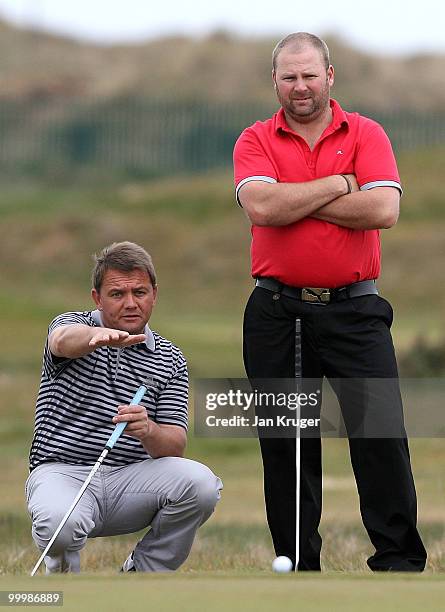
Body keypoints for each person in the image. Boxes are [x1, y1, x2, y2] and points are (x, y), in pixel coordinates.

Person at [233, 32, 426, 571]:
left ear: (330, 76)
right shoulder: (254, 138)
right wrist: (342, 183)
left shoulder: (367, 132)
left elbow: (383, 209)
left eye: (309, 75)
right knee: (288, 442)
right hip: (276, 311)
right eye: (289, 77)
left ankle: (398, 561)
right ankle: (297, 564)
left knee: (379, 435)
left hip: (356, 310)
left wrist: (296, 195)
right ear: (275, 81)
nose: (300, 86)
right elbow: (262, 208)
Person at [26, 241, 222, 573]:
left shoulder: (170, 358)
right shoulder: (74, 324)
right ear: (97, 298)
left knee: (201, 485)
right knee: (60, 525)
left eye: (140, 292)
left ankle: (141, 575)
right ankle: (64, 585)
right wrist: (97, 337)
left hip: (130, 480)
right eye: (117, 294)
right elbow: (60, 341)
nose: (131, 303)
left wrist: (148, 431)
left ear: (154, 295)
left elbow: (175, 445)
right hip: (63, 471)